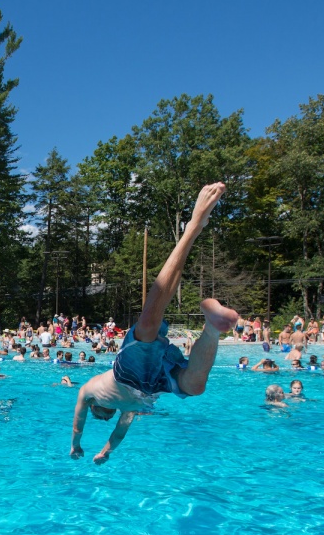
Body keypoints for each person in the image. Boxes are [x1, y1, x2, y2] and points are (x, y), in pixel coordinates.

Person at [70, 183, 237, 465]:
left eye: (101, 414)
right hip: (152, 387)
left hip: (127, 374)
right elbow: (119, 432)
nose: (104, 416)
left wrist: (76, 445)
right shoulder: (125, 410)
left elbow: (78, 421)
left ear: (98, 408)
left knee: (147, 326)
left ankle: (192, 228)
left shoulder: (90, 391)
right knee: (194, 387)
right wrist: (105, 452)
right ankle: (212, 326)